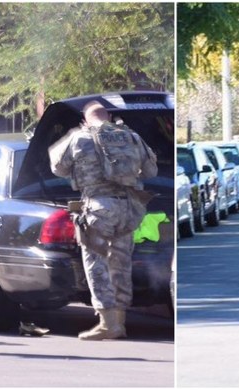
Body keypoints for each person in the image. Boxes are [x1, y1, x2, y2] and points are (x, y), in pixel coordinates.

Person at [48, 100, 157, 340]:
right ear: (108, 117)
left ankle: (107, 324)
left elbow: (57, 167)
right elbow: (151, 172)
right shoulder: (132, 137)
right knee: (121, 264)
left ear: (86, 119)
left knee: (97, 264)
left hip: (98, 207)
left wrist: (77, 136)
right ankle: (120, 322)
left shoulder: (80, 138)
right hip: (129, 208)